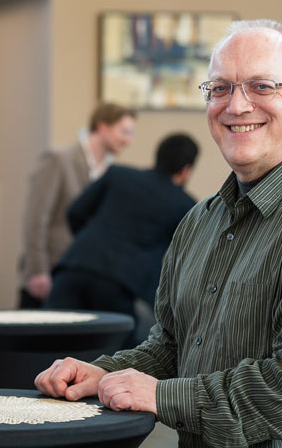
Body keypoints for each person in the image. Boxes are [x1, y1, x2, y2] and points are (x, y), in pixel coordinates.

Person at [35, 19, 282, 448]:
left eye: (262, 86)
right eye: (220, 88)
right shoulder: (200, 221)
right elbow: (173, 348)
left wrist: (162, 397)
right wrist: (102, 373)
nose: (236, 105)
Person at [45, 133, 198, 348]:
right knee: (112, 353)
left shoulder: (118, 174)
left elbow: (75, 212)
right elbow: (184, 258)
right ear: (186, 170)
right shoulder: (184, 205)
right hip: (120, 284)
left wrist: (91, 247)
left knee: (51, 343)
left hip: (75, 266)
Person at [18, 103, 136, 308]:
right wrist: (37, 270)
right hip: (51, 271)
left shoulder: (111, 171)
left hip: (85, 279)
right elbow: (36, 218)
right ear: (102, 127)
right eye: (125, 132)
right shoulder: (58, 159)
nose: (129, 140)